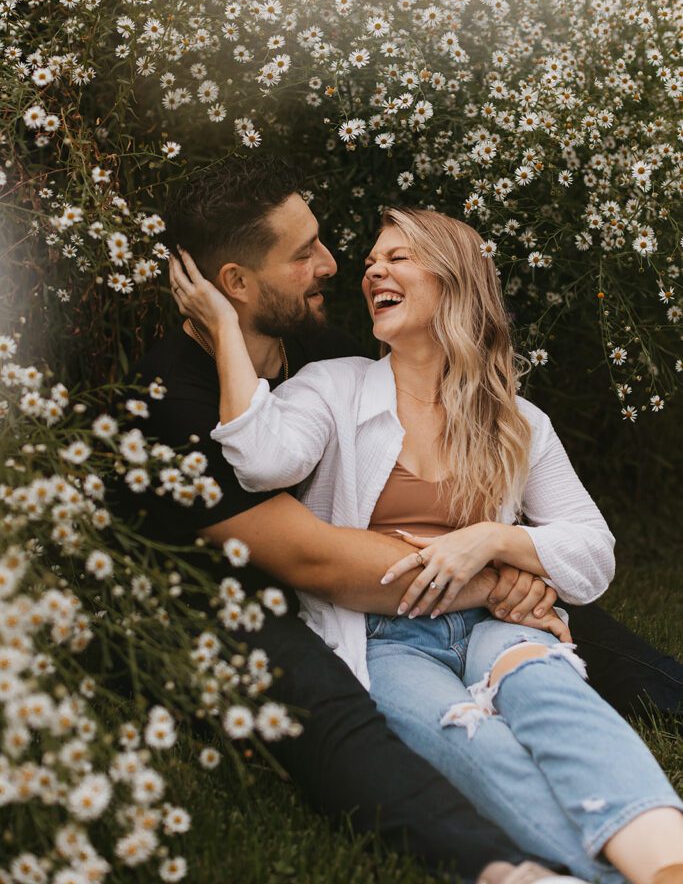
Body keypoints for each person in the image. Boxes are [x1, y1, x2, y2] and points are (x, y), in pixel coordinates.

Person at [123, 157, 680, 884]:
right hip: (344, 625)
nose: (345, 269)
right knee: (466, 737)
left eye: (394, 257)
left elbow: (588, 551)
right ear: (234, 285)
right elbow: (286, 508)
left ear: (453, 283)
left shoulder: (507, 418)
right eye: (319, 255)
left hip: (492, 622)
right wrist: (499, 574)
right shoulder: (297, 388)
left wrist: (496, 541)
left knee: (555, 692)